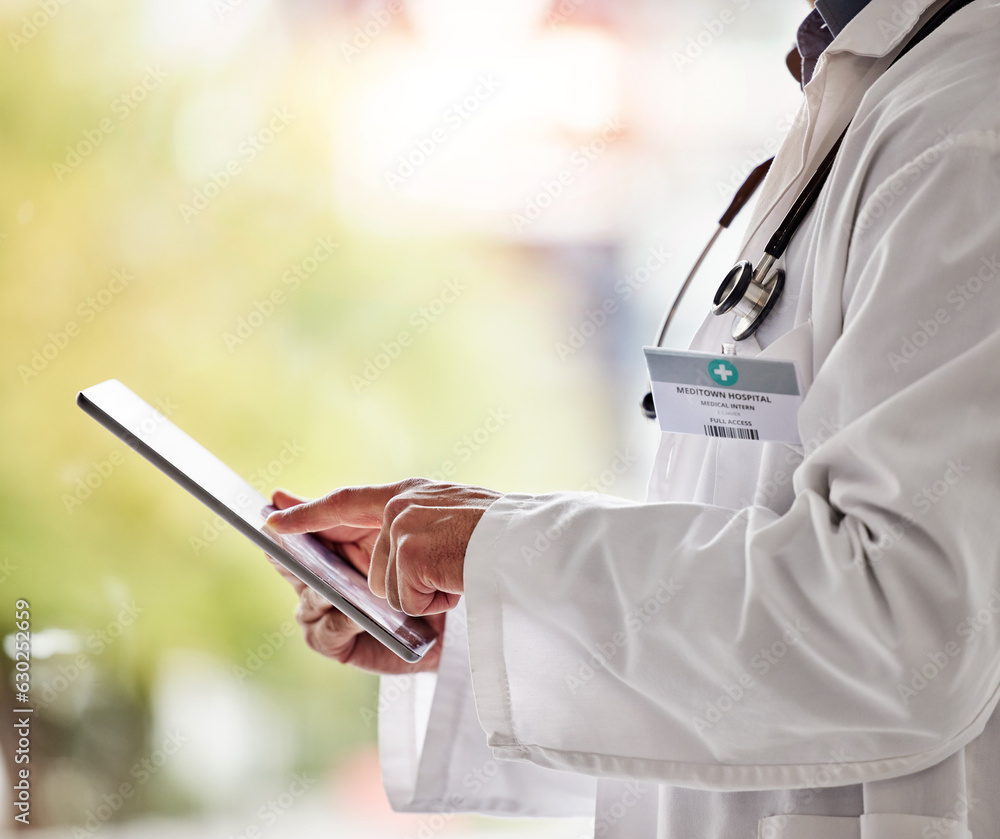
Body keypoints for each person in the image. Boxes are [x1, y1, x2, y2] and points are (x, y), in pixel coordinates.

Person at [264, 0, 1000, 835]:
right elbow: (765, 593)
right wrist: (490, 608)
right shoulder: (873, 91)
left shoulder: (967, 125)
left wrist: (505, 550)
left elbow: (906, 628)